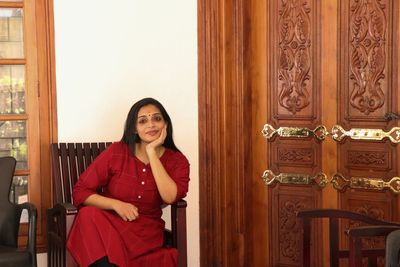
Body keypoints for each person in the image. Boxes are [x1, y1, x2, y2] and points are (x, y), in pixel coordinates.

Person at [66, 97, 190, 267]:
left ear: (166, 124)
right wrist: (116, 204)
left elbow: (170, 197)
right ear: (134, 128)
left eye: (157, 118)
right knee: (88, 215)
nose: (151, 124)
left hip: (146, 233)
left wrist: (152, 152)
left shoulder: (177, 161)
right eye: (143, 121)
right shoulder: (117, 152)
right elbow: (81, 191)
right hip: (110, 224)